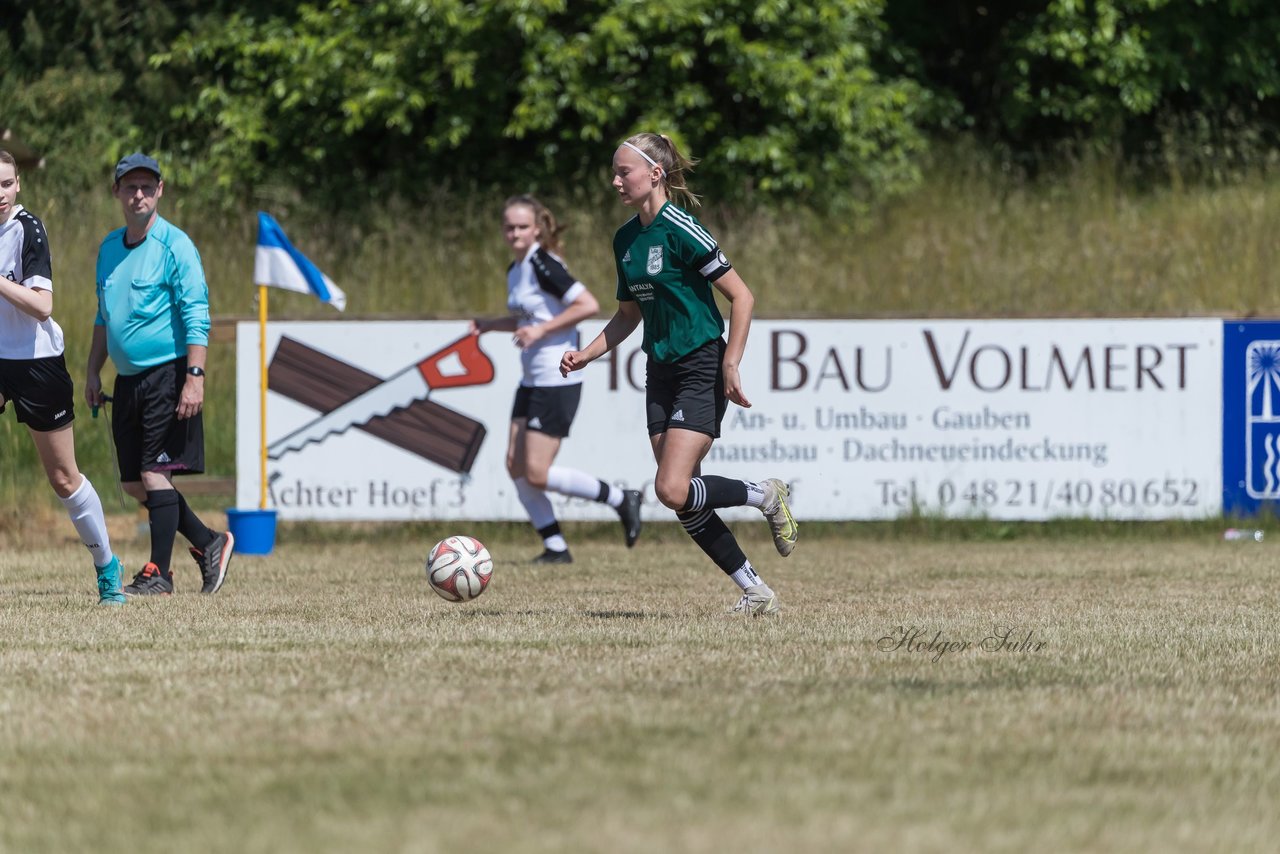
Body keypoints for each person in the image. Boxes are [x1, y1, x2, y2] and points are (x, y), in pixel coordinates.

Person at [560, 133, 798, 615]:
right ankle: (756, 591)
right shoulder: (625, 239)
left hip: (701, 364)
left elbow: (743, 296)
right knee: (685, 497)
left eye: (623, 171)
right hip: (660, 369)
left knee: (671, 488)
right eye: (614, 171)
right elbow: (629, 315)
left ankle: (766, 494)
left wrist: (730, 362)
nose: (615, 180)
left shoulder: (681, 228)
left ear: (655, 174)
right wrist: (588, 353)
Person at [84, 153, 234, 596]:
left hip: (167, 376)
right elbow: (102, 316)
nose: (139, 194)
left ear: (160, 191)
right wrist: (93, 371)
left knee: (154, 475)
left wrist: (195, 375)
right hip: (126, 381)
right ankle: (209, 542)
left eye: (147, 186)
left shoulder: (176, 245)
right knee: (135, 483)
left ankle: (159, 574)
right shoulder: (109, 248)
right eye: (130, 187)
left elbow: (197, 313)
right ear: (117, 192)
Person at [470, 194, 643, 563]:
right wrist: (489, 325)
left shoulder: (545, 264)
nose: (514, 233)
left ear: (536, 229)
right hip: (531, 379)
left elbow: (588, 305)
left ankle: (619, 498)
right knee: (515, 465)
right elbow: (526, 322)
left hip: (556, 378)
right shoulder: (515, 270)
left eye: (521, 227)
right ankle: (555, 547)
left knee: (535, 471)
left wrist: (542, 330)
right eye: (509, 227)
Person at [0, 149, 126, 606]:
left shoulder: (28, 229)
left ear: (18, 187)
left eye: (6, 184)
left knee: (63, 478)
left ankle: (107, 566)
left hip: (35, 362)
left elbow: (41, 307)